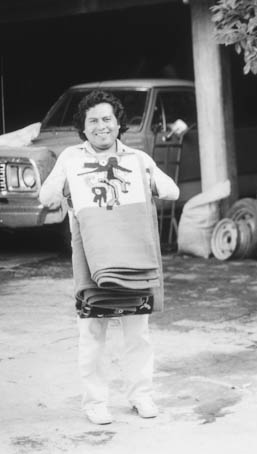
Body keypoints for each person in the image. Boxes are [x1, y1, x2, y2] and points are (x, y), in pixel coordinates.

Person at [39, 90, 179, 425]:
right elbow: (46, 196)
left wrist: (149, 179)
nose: (101, 126)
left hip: (133, 256)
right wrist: (61, 191)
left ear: (118, 125)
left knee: (137, 333)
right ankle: (95, 402)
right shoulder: (71, 159)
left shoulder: (136, 159)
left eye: (107, 119)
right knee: (92, 333)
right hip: (90, 257)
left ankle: (140, 395)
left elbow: (172, 191)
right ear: (83, 128)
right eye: (93, 121)